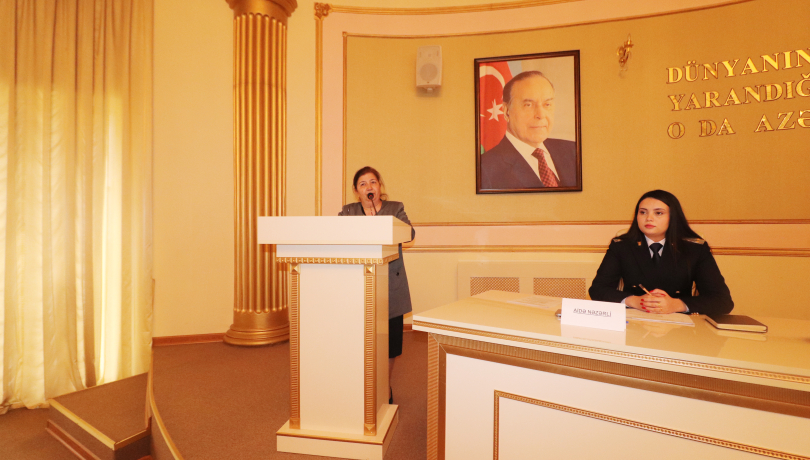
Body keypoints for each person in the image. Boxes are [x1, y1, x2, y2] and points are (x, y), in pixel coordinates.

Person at [589, 190, 734, 316]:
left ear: (673, 217)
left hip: (679, 325)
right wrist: (635, 301)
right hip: (635, 320)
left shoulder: (695, 248)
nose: (649, 218)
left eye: (658, 213)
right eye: (643, 212)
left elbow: (722, 301)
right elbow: (598, 290)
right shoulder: (621, 246)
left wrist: (677, 305)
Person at [339, 166, 414, 404]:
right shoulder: (348, 212)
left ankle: (384, 386)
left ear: (379, 186)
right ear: (356, 191)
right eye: (363, 184)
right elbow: (336, 236)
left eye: (373, 182)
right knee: (361, 340)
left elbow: (409, 234)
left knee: (390, 344)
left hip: (391, 283)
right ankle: (360, 384)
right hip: (358, 284)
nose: (369, 187)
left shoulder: (395, 208)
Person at [481, 70, 578, 189]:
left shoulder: (574, 151)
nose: (540, 115)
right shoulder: (485, 169)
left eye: (547, 104)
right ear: (506, 112)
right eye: (528, 105)